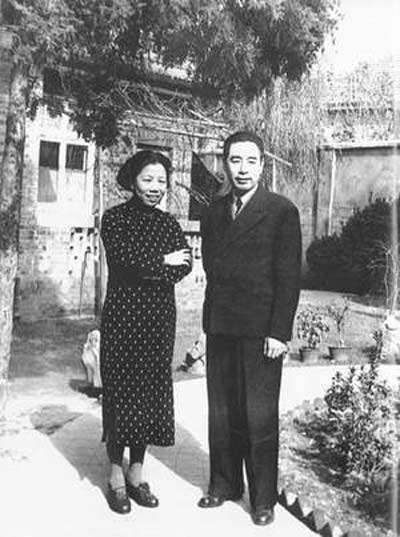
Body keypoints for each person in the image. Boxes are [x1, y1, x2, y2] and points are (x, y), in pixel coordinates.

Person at [198, 131, 302, 526]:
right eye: (235, 160)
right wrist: (208, 323)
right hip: (221, 325)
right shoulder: (213, 212)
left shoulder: (281, 211)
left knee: (258, 415)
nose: (242, 169)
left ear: (262, 165)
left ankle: (262, 499)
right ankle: (224, 484)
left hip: (262, 333)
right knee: (222, 410)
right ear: (225, 163)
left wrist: (279, 332)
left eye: (250, 161)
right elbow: (212, 269)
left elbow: (288, 277)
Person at [100, 150, 192, 514]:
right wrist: (162, 261)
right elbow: (123, 261)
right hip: (123, 320)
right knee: (121, 393)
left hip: (158, 321)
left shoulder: (168, 224)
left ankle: (136, 474)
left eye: (161, 181)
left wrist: (153, 265)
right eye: (147, 179)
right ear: (132, 180)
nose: (155, 187)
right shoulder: (115, 219)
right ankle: (115, 476)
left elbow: (185, 264)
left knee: (149, 396)